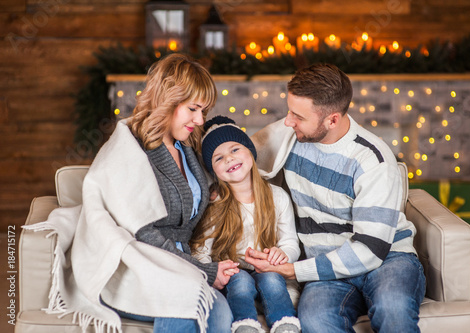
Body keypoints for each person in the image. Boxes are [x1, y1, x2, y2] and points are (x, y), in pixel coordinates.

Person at [28, 54, 238, 333]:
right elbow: (144, 233)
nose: (200, 120)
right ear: (168, 100)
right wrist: (205, 271)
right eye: (193, 109)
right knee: (200, 309)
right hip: (137, 265)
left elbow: (242, 156)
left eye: (204, 111)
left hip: (179, 265)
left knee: (214, 310)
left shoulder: (188, 147)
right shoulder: (128, 150)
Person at [245, 63, 426, 333]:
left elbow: (370, 250)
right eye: (289, 110)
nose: (287, 121)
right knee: (316, 321)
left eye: (298, 115)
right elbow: (233, 152)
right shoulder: (291, 134)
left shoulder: (372, 159)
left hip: (388, 259)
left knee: (393, 308)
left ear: (332, 119)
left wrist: (294, 271)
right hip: (327, 267)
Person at [190, 116, 301, 333]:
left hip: (269, 269)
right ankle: (246, 325)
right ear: (213, 170)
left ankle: (285, 324)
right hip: (234, 273)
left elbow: (290, 241)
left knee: (271, 279)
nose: (229, 159)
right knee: (240, 281)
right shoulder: (215, 204)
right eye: (218, 158)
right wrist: (214, 272)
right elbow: (200, 251)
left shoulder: (277, 197)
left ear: (250, 152)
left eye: (235, 150)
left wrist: (283, 254)